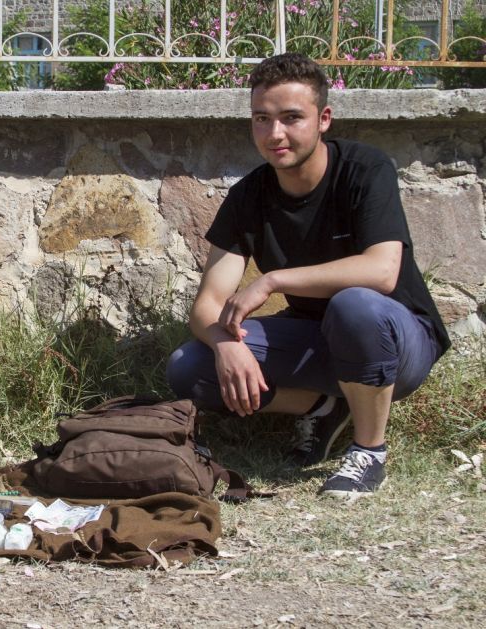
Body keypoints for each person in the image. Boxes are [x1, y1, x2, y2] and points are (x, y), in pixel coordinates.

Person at [165, 53, 450, 499]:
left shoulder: (364, 169)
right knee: (191, 366)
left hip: (396, 341)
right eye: (262, 118)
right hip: (317, 341)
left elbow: (382, 270)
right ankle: (322, 408)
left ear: (323, 119)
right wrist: (224, 344)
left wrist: (273, 281)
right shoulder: (248, 195)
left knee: (354, 304)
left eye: (291, 118)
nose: (274, 134)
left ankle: (368, 451)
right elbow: (207, 304)